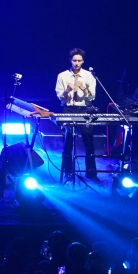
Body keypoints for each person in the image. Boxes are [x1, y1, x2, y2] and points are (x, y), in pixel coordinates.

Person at [55, 48, 98, 181]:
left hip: (84, 109)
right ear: (70, 60)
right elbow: (60, 96)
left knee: (88, 141)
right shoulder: (62, 75)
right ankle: (68, 173)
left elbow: (92, 97)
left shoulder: (89, 76)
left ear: (83, 61)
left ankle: (91, 174)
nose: (76, 63)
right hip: (68, 109)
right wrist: (67, 90)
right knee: (67, 142)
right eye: (74, 60)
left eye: (79, 61)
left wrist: (84, 89)